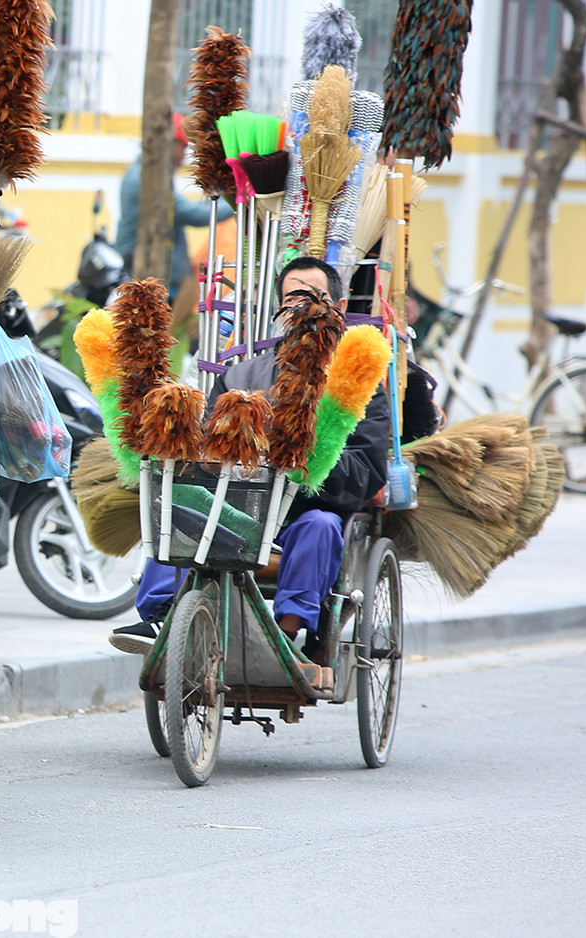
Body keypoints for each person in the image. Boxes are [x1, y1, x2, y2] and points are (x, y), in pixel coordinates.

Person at [108, 256, 390, 665]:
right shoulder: (239, 377)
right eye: (295, 299)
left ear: (340, 309)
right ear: (279, 311)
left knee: (321, 525)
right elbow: (205, 448)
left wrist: (300, 457)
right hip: (242, 508)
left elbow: (366, 471)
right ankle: (159, 617)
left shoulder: (356, 387)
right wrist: (211, 457)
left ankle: (287, 635)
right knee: (176, 500)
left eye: (319, 299)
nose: (306, 309)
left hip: (305, 514)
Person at [114, 113, 232, 305]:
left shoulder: (150, 175)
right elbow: (197, 214)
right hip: (146, 283)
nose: (184, 154)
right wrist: (241, 198)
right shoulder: (145, 179)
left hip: (165, 283)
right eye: (182, 146)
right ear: (166, 143)